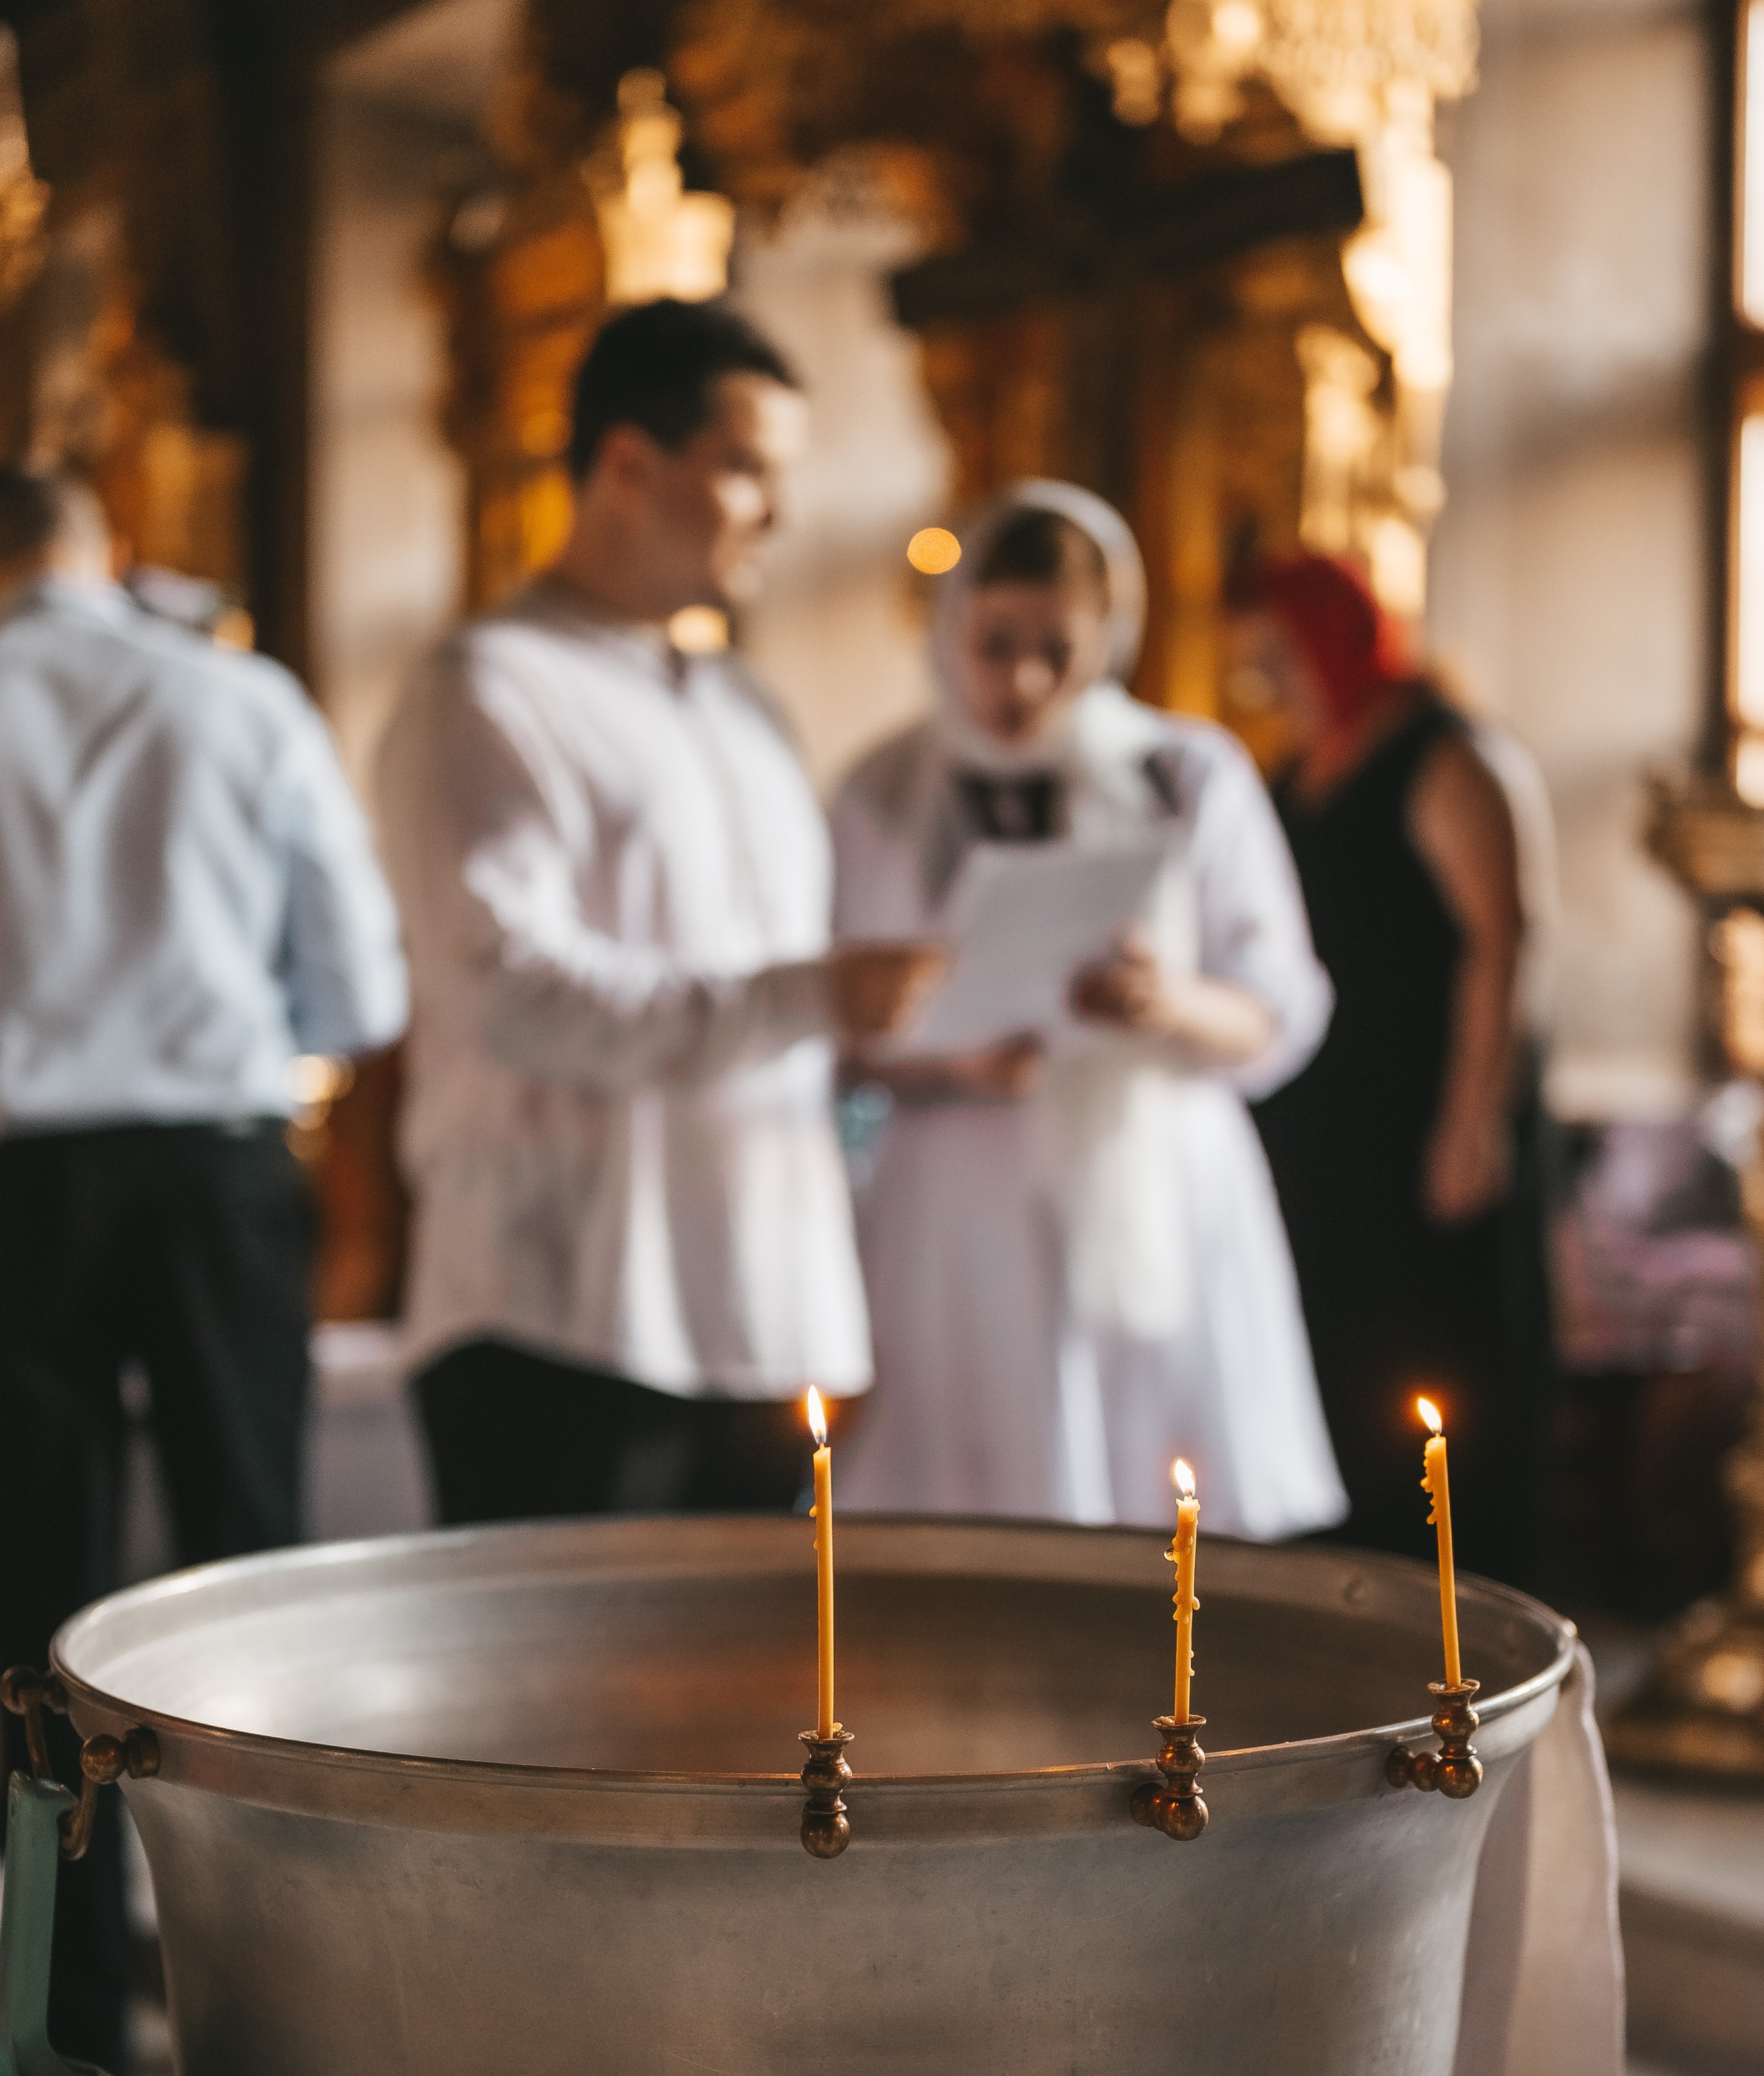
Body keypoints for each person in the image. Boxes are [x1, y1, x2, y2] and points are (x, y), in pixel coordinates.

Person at [378, 298, 941, 1525]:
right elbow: (513, 994)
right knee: (547, 1718)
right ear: (627, 464)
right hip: (566, 1313)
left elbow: (778, 996)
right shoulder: (488, 690)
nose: (780, 516)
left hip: (766, 1306)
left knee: (769, 1714)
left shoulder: (748, 708)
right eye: (745, 470)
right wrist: (809, 996)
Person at [0, 463, 408, 2075]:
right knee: (249, 1571)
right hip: (215, 1164)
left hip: (16, 1184)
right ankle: (269, 2020)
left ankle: (68, 2024)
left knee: (37, 1595)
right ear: (106, 547)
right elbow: (357, 990)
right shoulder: (240, 698)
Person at [830, 481, 1346, 1535]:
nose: (1021, 679)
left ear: (1108, 638)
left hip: (1158, 1173)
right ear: (951, 625)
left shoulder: (1188, 772)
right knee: (977, 1518)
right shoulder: (881, 789)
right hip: (959, 1193)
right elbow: (831, 1028)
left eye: (1056, 649)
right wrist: (954, 1064)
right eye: (995, 642)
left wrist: (1167, 1005)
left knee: (1167, 1518)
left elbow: (1280, 1006)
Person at [1228, 549, 1550, 1584]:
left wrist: (1473, 1122)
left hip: (1425, 1112)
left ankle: (1459, 1609)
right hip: (1323, 1121)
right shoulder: (1291, 768)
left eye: (1280, 658)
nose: (1268, 684)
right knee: (1331, 1354)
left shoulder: (1449, 757)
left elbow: (1506, 941)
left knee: (1428, 1357)